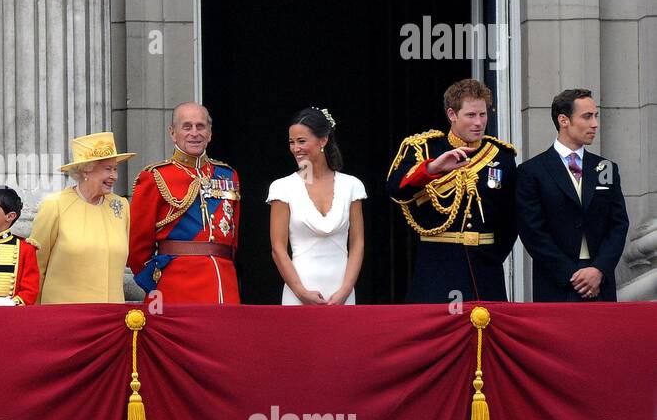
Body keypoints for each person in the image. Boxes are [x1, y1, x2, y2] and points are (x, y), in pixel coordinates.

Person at [387, 79, 518, 303]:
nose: (479, 123)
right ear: (452, 114)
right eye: (471, 115)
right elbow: (395, 189)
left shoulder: (501, 157)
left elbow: (511, 219)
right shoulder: (426, 149)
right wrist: (432, 168)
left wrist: (491, 258)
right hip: (438, 270)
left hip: (485, 273)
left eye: (483, 114)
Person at [515, 88, 630, 301]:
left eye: (596, 116)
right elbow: (533, 232)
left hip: (600, 282)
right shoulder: (532, 171)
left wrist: (599, 270)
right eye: (587, 117)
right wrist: (571, 275)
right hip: (556, 282)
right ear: (563, 120)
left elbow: (618, 224)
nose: (594, 124)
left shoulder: (605, 168)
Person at [127, 102, 241, 304]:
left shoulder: (227, 175)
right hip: (175, 287)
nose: (194, 133)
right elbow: (137, 247)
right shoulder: (155, 177)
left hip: (223, 282)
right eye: (186, 127)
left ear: (210, 133)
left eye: (200, 126)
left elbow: (232, 239)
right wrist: (156, 283)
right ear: (173, 133)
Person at [267, 107, 366, 305]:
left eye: (301, 141)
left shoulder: (351, 185)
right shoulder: (282, 187)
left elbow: (358, 243)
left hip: (342, 293)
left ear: (323, 140)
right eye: (291, 142)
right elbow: (278, 248)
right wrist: (301, 292)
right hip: (298, 293)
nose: (296, 148)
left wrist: (346, 290)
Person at [31, 132, 135, 304]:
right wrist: (35, 315)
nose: (114, 176)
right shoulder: (55, 205)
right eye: (108, 169)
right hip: (66, 317)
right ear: (86, 169)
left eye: (115, 169)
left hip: (111, 317)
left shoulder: (121, 206)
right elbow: (36, 265)